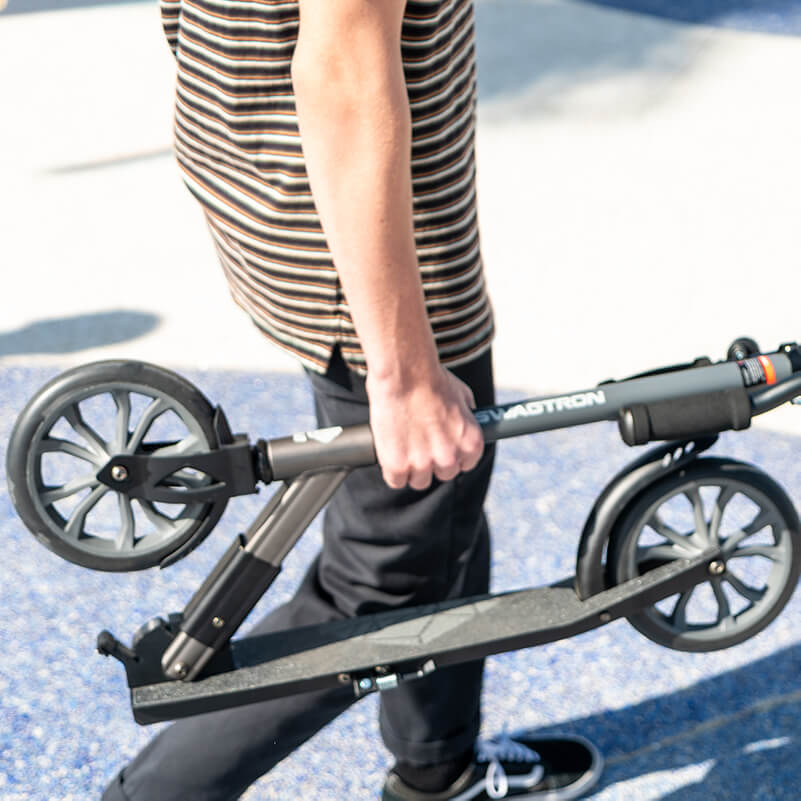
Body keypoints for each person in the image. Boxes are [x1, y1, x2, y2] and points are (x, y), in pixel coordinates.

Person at [102, 0, 603, 799]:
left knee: (441, 503)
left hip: (266, 172)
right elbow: (341, 72)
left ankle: (438, 764)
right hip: (359, 244)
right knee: (379, 582)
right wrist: (400, 368)